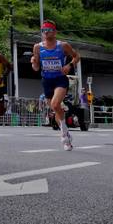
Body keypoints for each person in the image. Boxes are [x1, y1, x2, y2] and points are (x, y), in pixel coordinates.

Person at [31, 20, 80, 151]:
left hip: (60, 80)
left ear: (55, 32)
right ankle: (67, 133)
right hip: (47, 81)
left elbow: (76, 57)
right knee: (56, 111)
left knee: (55, 104)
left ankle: (64, 136)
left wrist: (69, 65)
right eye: (43, 30)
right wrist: (33, 62)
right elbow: (36, 68)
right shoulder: (37, 47)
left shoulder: (63, 46)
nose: (46, 32)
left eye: (49, 30)